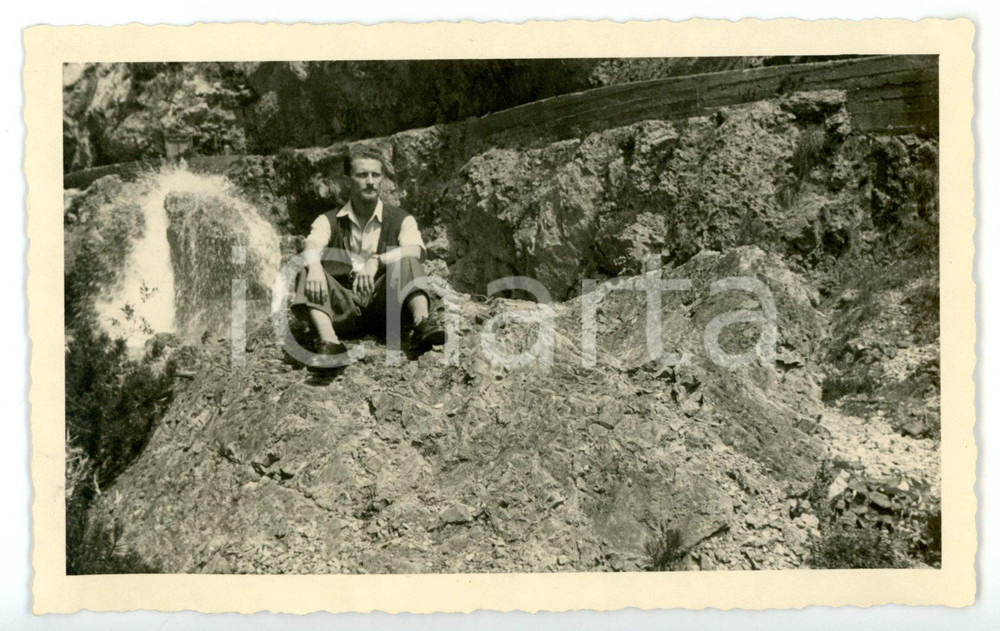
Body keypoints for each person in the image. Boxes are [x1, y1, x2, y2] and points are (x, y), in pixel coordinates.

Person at [290, 146, 445, 372]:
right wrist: (314, 268)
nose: (370, 181)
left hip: (387, 307)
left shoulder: (401, 218)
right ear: (347, 180)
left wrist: (377, 261)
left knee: (407, 257)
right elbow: (312, 243)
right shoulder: (329, 220)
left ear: (382, 178)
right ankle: (331, 344)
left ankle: (423, 324)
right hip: (344, 310)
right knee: (306, 267)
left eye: (375, 175)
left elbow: (417, 249)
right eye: (362, 175)